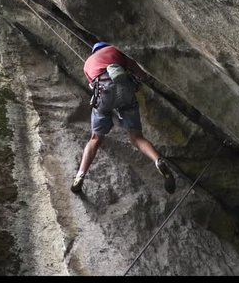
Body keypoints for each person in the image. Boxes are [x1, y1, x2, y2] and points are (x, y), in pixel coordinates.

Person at [71, 42, 176, 194]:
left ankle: (80, 175)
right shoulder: (115, 49)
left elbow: (91, 85)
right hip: (125, 90)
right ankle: (157, 159)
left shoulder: (87, 64)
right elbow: (140, 73)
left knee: (95, 139)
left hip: (103, 91)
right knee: (136, 137)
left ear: (94, 51)